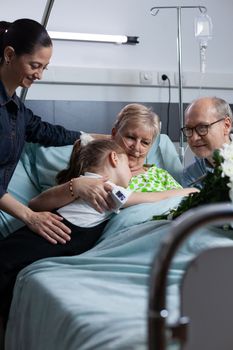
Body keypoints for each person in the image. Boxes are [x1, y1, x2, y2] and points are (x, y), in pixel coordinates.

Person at [0, 139, 133, 332]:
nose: (131, 171)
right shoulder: (108, 189)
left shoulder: (105, 190)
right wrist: (186, 191)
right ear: (114, 158)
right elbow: (35, 204)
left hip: (51, 237)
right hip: (45, 235)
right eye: (128, 165)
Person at [0, 18, 112, 243]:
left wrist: (93, 138)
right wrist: (30, 217)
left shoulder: (17, 111)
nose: (39, 75)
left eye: (44, 67)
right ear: (10, 55)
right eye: (34, 65)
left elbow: (45, 131)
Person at [30, 103, 198, 212]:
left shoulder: (161, 176)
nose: (137, 148)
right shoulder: (96, 167)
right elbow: (37, 204)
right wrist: (74, 186)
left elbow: (188, 204)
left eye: (145, 142)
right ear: (114, 134)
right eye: (131, 137)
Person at [181, 97, 232, 188]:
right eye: (188, 129)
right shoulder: (190, 176)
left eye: (202, 127)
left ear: (226, 126)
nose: (194, 137)